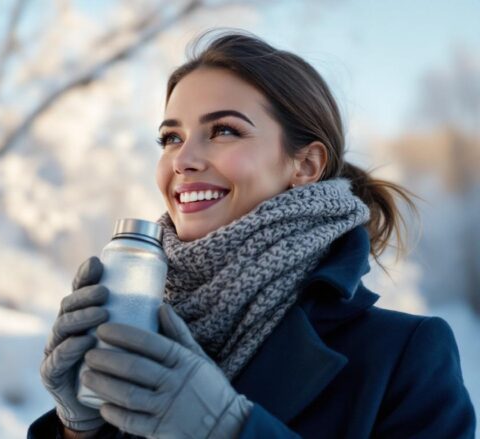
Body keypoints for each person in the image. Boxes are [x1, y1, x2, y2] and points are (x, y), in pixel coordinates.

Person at [28, 31, 477, 438]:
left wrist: (231, 430)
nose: (184, 159)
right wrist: (78, 430)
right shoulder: (135, 330)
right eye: (171, 138)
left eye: (224, 131)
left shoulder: (404, 356)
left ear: (305, 165)